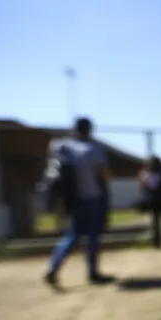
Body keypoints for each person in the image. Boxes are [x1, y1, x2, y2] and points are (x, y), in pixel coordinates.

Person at [44, 117, 116, 288]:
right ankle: (92, 272)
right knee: (92, 236)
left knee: (72, 235)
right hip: (92, 197)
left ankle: (53, 268)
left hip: (72, 199)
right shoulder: (93, 149)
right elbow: (104, 176)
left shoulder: (61, 146)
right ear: (89, 130)